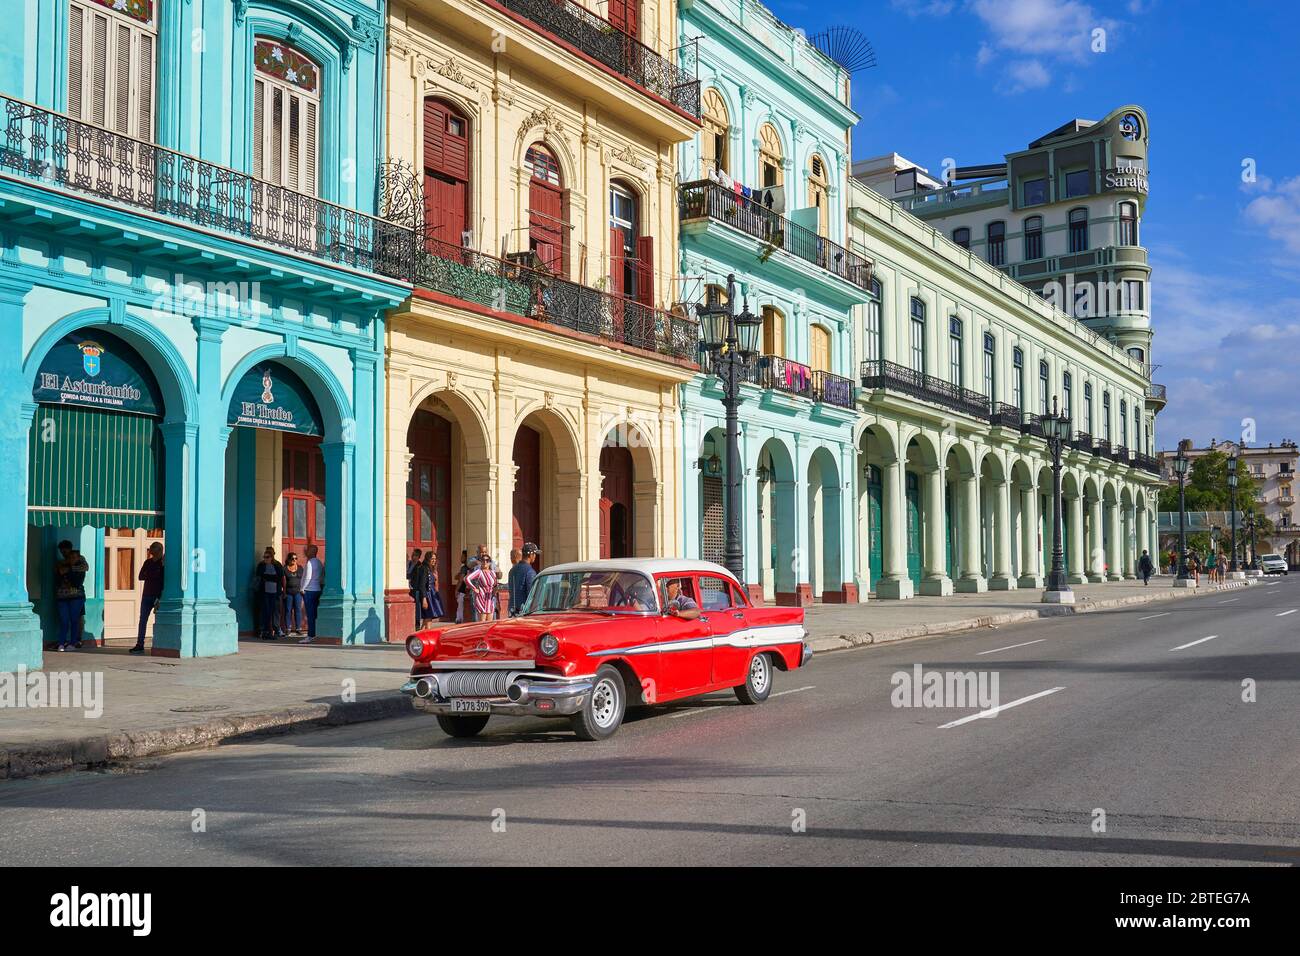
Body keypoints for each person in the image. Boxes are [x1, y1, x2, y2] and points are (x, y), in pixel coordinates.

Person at [54, 540, 89, 651]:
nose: (63, 553)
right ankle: (62, 642)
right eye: (61, 551)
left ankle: (76, 641)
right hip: (62, 596)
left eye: (65, 550)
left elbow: (85, 568)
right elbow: (57, 574)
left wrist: (68, 569)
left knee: (77, 619)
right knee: (64, 620)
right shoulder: (60, 562)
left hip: (76, 595)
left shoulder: (79, 558)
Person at [131, 542, 164, 654]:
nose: (150, 550)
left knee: (159, 620)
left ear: (159, 550)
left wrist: (150, 575)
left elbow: (163, 579)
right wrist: (153, 575)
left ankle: (159, 643)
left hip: (158, 596)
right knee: (142, 620)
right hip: (146, 595)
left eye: (152, 548)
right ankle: (140, 644)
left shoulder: (163, 564)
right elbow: (141, 576)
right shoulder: (148, 562)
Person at [253, 547, 286, 640]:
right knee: (265, 611)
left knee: (275, 611)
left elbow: (279, 577)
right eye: (264, 556)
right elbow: (260, 576)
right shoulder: (261, 565)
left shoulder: (277, 565)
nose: (265, 558)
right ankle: (265, 630)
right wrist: (270, 577)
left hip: (275, 592)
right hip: (264, 592)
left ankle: (276, 629)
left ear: (272, 556)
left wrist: (284, 591)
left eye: (267, 557)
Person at [299, 544, 324, 644]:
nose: (306, 552)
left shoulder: (309, 563)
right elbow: (322, 575)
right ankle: (315, 633)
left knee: (310, 614)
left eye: (308, 550)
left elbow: (308, 577)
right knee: (315, 614)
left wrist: (302, 588)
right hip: (317, 589)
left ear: (312, 552)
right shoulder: (319, 562)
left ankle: (310, 635)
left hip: (309, 591)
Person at [508, 543, 540, 616]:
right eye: (534, 554)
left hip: (512, 610)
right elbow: (532, 594)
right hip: (524, 611)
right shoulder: (530, 571)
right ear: (531, 555)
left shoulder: (512, 570)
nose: (535, 556)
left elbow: (510, 590)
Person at [464, 555, 498, 621]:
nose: (485, 562)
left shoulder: (493, 573)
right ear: (481, 562)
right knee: (482, 623)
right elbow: (467, 578)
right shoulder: (479, 572)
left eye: (487, 560)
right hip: (481, 598)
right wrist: (474, 588)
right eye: (483, 560)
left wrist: (495, 590)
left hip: (490, 599)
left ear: (490, 562)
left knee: (490, 623)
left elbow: (495, 585)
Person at [283, 552, 306, 636]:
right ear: (289, 559)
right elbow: (284, 581)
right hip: (289, 592)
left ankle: (298, 628)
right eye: (292, 558)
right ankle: (288, 628)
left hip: (298, 593)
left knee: (298, 610)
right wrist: (284, 593)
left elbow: (303, 579)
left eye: (296, 558)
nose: (294, 560)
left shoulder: (300, 568)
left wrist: (303, 590)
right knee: (288, 610)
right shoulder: (285, 569)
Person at [454, 549, 470, 623]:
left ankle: (459, 620)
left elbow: (460, 579)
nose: (461, 558)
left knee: (460, 607)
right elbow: (456, 576)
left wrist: (456, 590)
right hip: (467, 590)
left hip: (462, 590)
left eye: (462, 556)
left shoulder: (464, 568)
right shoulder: (467, 567)